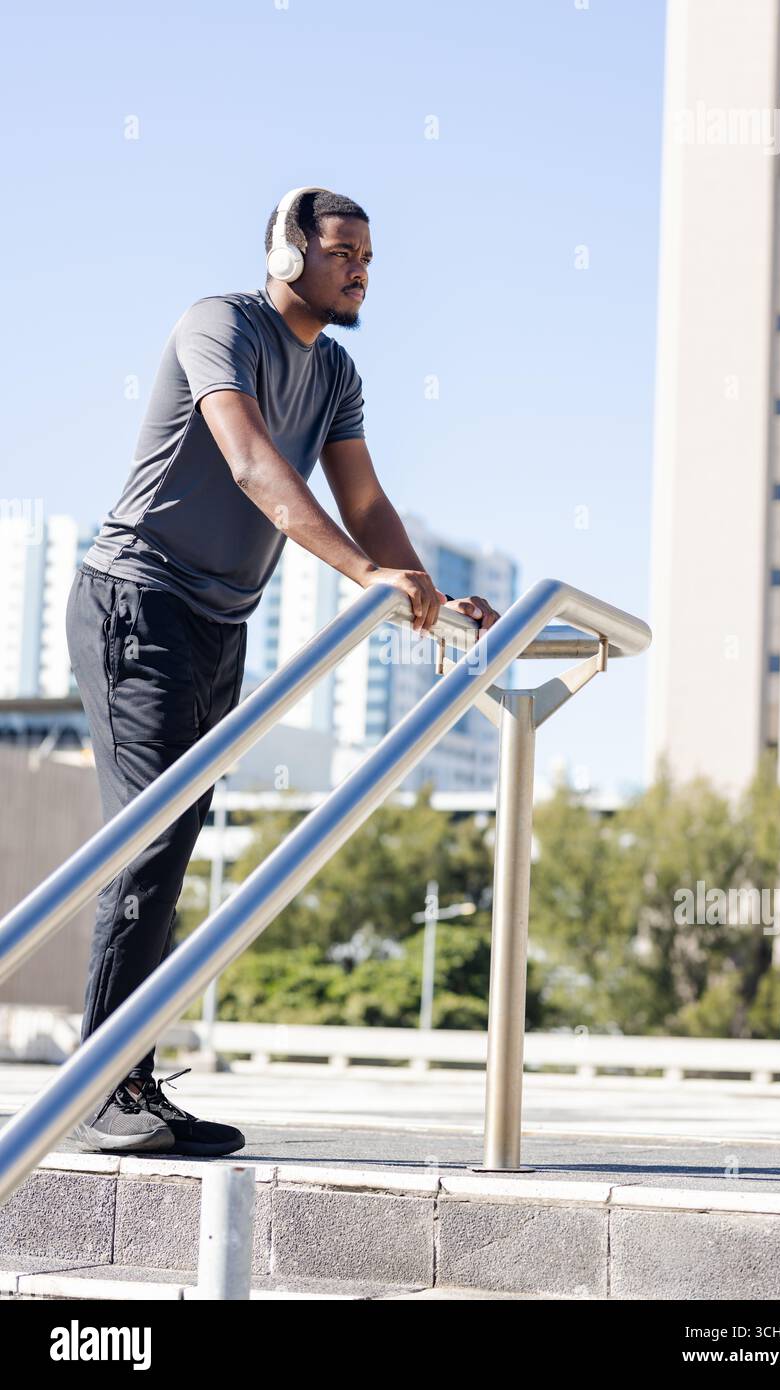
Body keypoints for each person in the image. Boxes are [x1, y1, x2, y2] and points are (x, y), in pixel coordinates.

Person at [66, 186, 501, 1154]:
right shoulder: (217, 324)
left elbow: (367, 500)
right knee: (147, 842)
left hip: (220, 621)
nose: (360, 271)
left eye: (370, 259)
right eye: (344, 252)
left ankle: (122, 1080)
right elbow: (258, 469)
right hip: (135, 602)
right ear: (285, 252)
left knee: (171, 847)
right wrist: (366, 577)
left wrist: (428, 597)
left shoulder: (337, 371)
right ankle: (100, 1090)